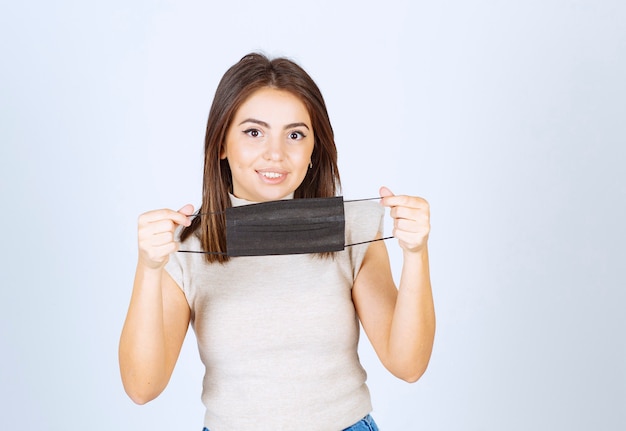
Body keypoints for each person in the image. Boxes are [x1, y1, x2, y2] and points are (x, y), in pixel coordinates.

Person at [119, 52, 435, 431]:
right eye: (254, 132)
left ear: (314, 148)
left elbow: (408, 365)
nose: (275, 153)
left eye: (295, 134)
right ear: (221, 143)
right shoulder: (183, 247)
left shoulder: (353, 231)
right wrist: (148, 268)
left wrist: (416, 254)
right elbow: (142, 388)